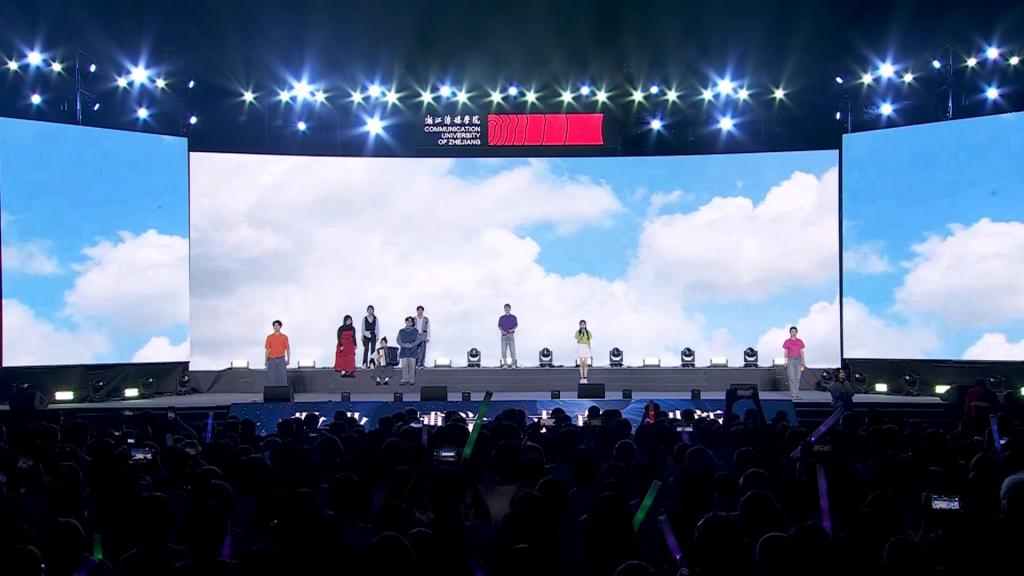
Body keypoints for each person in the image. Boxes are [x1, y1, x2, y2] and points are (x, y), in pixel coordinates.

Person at [265, 320, 290, 387]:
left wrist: (288, 359)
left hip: (281, 359)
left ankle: (283, 391)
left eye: (277, 325)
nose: (276, 327)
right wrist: (266, 360)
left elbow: (287, 349)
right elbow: (267, 350)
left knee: (282, 377)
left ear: (280, 327)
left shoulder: (284, 337)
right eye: (274, 326)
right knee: (271, 377)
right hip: (271, 359)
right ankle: (271, 391)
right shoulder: (269, 337)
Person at [783, 326, 806, 400]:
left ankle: (797, 394)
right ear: (790, 333)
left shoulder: (800, 341)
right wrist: (785, 361)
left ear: (797, 332)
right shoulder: (787, 341)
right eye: (792, 331)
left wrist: (803, 361)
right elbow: (786, 352)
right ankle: (793, 394)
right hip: (790, 360)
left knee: (797, 378)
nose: (793, 333)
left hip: (798, 360)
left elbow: (802, 351)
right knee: (792, 378)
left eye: (795, 331)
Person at [398, 316, 421, 385]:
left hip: (413, 351)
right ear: (405, 322)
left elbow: (418, 340)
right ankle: (405, 379)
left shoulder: (416, 331)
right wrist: (405, 345)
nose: (409, 322)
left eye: (410, 321)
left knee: (412, 367)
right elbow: (398, 340)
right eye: (407, 321)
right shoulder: (401, 331)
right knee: (404, 367)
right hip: (404, 351)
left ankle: (412, 380)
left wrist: (411, 345)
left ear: (412, 323)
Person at [498, 303, 518, 368]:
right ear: (504, 309)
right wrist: (502, 331)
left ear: (510, 309)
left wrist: (512, 330)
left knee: (512, 350)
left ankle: (513, 364)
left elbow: (516, 325)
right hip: (504, 336)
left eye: (508, 308)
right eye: (506, 308)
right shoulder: (501, 318)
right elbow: (499, 326)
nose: (507, 309)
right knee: (503, 351)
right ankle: (505, 364)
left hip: (511, 335)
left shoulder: (513, 317)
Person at [575, 320, 592, 384]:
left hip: (586, 347)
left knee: (586, 364)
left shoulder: (588, 332)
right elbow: (578, 341)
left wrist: (590, 350)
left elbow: (589, 342)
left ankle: (585, 378)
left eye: (584, 324)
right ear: (580, 325)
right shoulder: (577, 332)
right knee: (581, 364)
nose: (583, 325)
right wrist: (582, 333)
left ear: (585, 325)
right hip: (580, 347)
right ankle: (581, 378)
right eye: (581, 324)